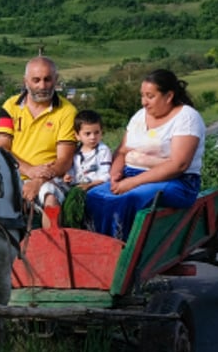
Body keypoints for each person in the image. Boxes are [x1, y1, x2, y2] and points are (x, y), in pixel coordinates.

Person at [85, 70, 205, 240]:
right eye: (142, 96)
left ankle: (122, 250)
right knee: (94, 196)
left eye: (150, 96)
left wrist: (132, 182)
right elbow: (122, 151)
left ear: (169, 96)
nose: (144, 102)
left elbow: (178, 165)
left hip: (176, 181)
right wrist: (114, 175)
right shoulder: (139, 117)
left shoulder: (187, 117)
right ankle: (95, 245)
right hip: (131, 175)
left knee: (130, 198)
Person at [0, 55, 78, 207]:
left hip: (52, 177)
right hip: (13, 173)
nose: (42, 86)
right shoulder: (10, 106)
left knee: (50, 197)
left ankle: (52, 231)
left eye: (48, 79)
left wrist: (39, 181)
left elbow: (64, 160)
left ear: (56, 79)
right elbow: (1, 147)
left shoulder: (67, 111)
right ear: (25, 81)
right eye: (36, 80)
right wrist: (28, 170)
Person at [38, 109, 112, 208]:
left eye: (97, 133)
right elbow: (73, 169)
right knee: (49, 186)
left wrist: (90, 185)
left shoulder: (103, 151)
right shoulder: (75, 151)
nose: (93, 137)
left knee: (78, 200)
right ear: (77, 136)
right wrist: (67, 176)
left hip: (93, 186)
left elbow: (106, 175)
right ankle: (52, 215)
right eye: (87, 134)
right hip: (75, 185)